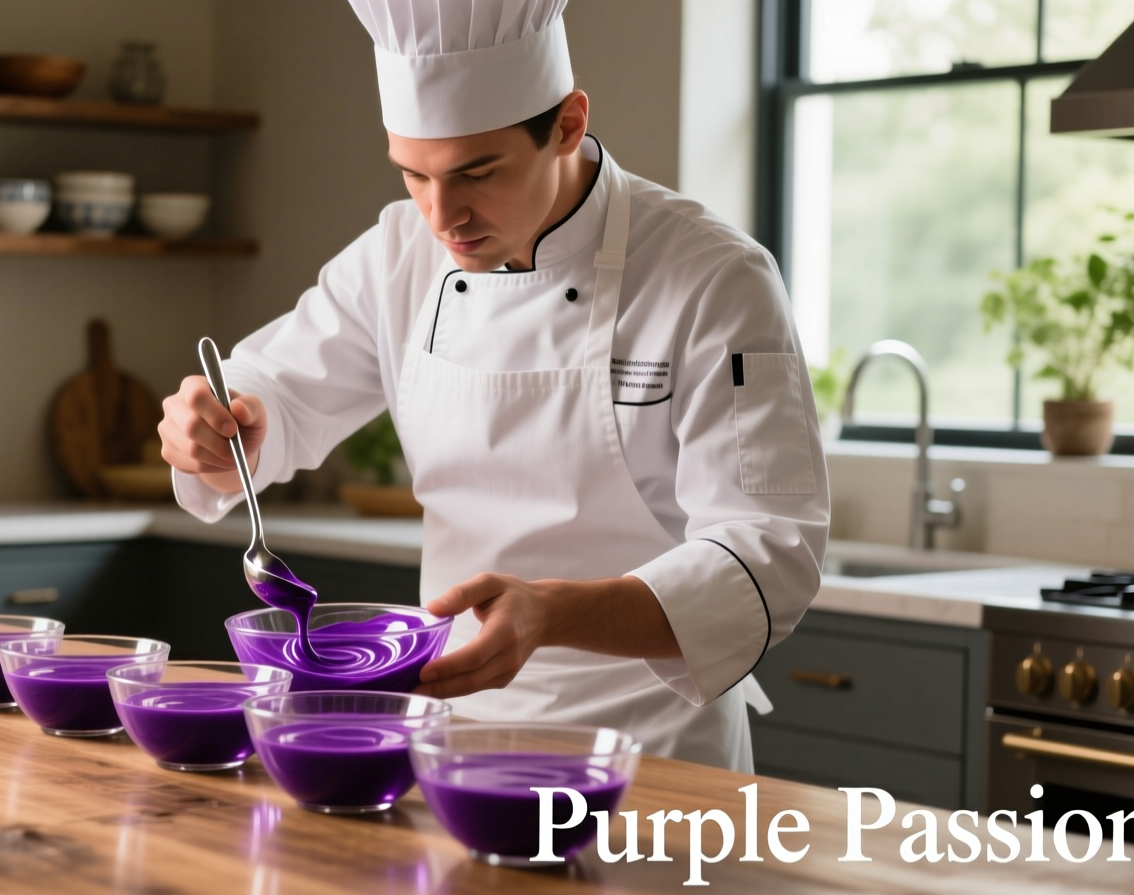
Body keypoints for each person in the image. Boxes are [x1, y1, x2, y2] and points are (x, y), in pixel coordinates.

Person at [158, 0, 829, 772]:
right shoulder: (399, 253)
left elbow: (768, 552)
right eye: (414, 174)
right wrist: (215, 426)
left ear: (569, 124)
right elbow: (273, 385)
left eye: (478, 173)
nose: (443, 215)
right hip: (448, 737)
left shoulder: (712, 276)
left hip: (651, 749)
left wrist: (554, 613)